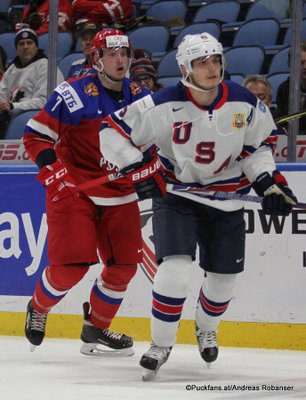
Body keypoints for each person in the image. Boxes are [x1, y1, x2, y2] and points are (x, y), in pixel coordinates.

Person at [99, 32, 297, 379]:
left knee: (224, 282)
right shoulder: (161, 104)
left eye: (216, 60)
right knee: (174, 271)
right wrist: (138, 168)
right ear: (184, 68)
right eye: (202, 62)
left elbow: (257, 149)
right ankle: (160, 344)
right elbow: (111, 132)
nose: (211, 67)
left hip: (228, 199)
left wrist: (269, 185)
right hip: (177, 196)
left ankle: (206, 327)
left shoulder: (244, 102)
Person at [23, 29, 151, 355]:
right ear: (97, 58)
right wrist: (54, 172)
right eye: (113, 53)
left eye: (125, 53)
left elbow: (158, 145)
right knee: (70, 267)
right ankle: (38, 307)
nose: (121, 59)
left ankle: (96, 328)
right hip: (75, 188)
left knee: (123, 266)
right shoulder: (73, 94)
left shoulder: (142, 97)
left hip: (119, 192)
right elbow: (36, 135)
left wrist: (154, 168)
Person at [0, 26, 61, 139]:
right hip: (10, 116)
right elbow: (1, 95)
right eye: (21, 44)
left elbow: (45, 102)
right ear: (16, 48)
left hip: (34, 120)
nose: (25, 47)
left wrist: (13, 106)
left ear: (36, 46)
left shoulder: (47, 67)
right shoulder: (12, 69)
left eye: (29, 43)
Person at [276, 41, 306, 135]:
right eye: (301, 63)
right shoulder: (284, 89)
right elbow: (282, 122)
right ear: (290, 64)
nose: (305, 66)